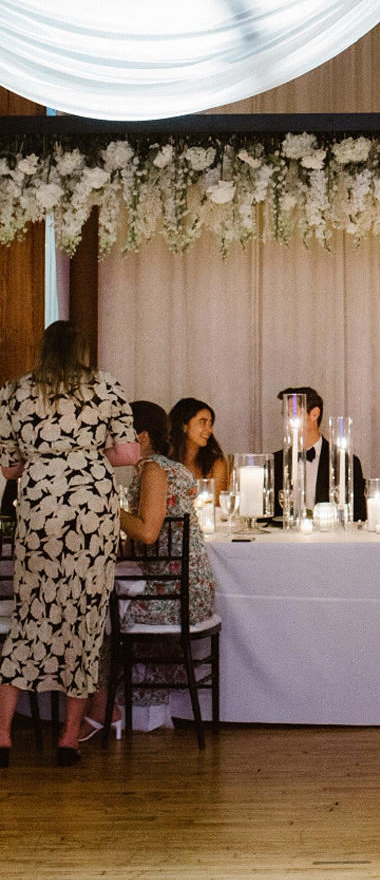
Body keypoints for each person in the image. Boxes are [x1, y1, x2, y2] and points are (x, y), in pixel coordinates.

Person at [0, 321, 140, 765]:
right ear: (81, 349)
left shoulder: (14, 391)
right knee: (84, 615)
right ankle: (67, 737)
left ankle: (2, 734)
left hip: (40, 507)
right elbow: (129, 454)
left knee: (31, 613)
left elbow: (9, 468)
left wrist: (46, 458)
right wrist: (86, 454)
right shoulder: (105, 385)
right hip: (90, 510)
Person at [83, 400, 217, 740]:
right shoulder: (159, 467)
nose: (110, 443)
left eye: (117, 436)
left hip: (178, 594)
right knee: (100, 601)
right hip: (176, 585)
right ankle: (110, 706)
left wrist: (107, 507)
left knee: (95, 613)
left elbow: (146, 532)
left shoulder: (156, 470)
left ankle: (104, 709)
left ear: (140, 437)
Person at [271, 387, 366, 520]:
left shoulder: (344, 461)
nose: (287, 422)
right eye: (285, 415)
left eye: (292, 414)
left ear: (314, 414)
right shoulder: (275, 462)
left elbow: (358, 515)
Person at [169, 398, 228, 498]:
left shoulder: (215, 463)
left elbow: (216, 505)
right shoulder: (163, 461)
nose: (209, 430)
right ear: (184, 426)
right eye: (203, 422)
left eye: (210, 423)